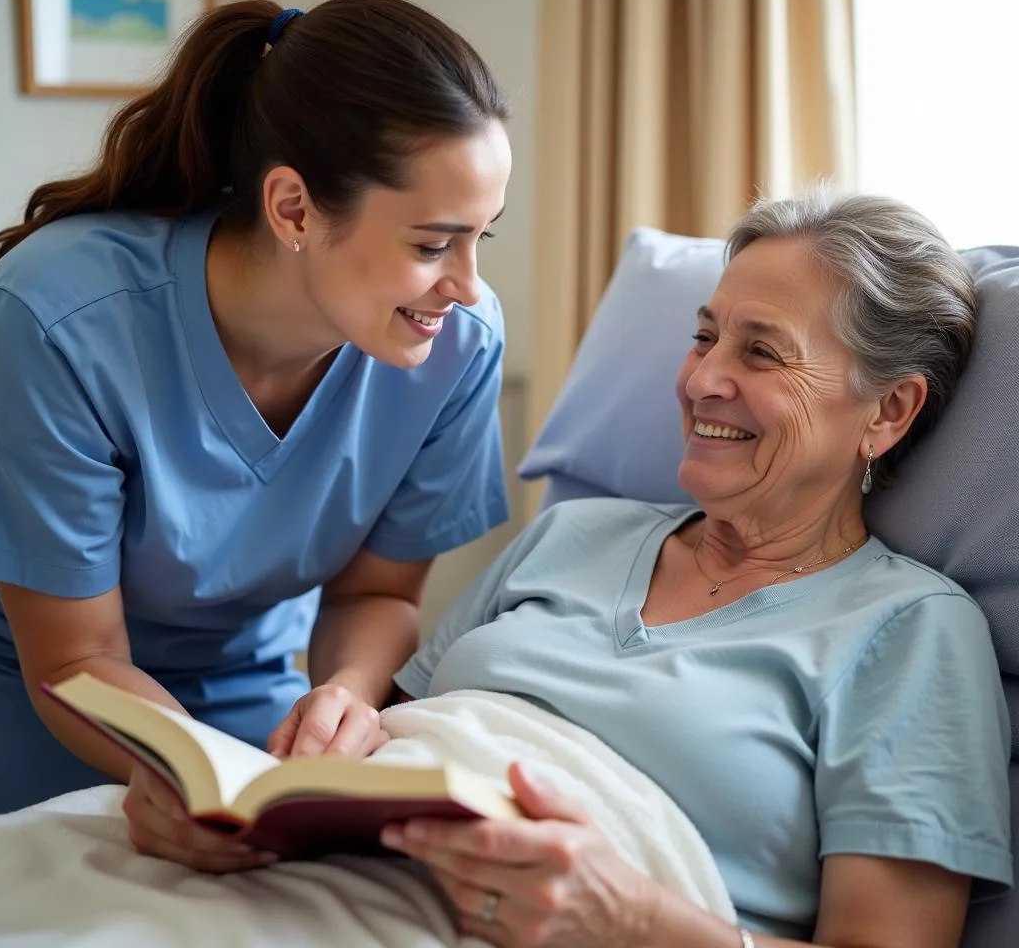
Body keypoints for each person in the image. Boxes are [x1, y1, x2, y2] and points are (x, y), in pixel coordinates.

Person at [377, 190, 1013, 948]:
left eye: (762, 351)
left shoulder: (912, 632)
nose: (702, 380)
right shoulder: (568, 534)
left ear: (887, 412)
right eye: (704, 337)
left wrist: (630, 921)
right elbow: (377, 738)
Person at [0, 0, 512, 869]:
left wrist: (346, 693)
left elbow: (377, 596)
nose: (466, 285)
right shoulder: (58, 320)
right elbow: (76, 656)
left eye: (483, 239)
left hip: (257, 708)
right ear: (295, 209)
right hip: (49, 698)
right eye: (433, 245)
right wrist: (190, 777)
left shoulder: (459, 344)